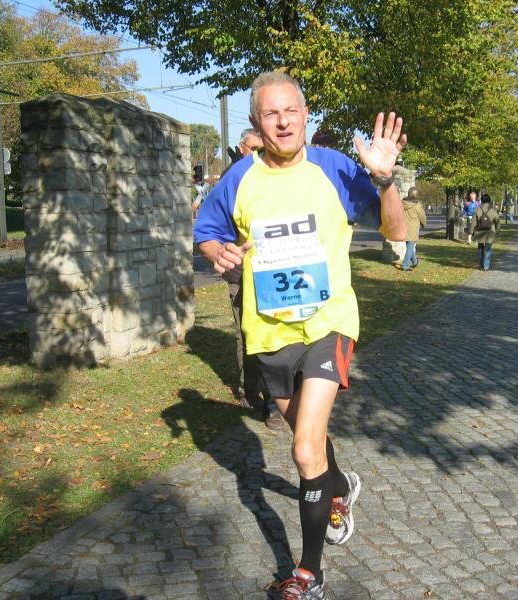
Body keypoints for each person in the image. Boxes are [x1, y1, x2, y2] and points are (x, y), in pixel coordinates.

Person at [194, 70, 407, 600]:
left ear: (306, 116)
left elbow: (396, 230)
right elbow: (207, 234)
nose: (283, 121)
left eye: (291, 110)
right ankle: (340, 486)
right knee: (308, 443)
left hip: (328, 323)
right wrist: (217, 253)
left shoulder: (334, 168)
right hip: (269, 333)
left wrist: (384, 180)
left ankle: (307, 575)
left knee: (304, 448)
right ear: (256, 121)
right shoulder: (238, 178)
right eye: (271, 113)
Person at [221, 129, 285, 430]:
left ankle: (275, 399)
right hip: (241, 272)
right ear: (242, 148)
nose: (261, 153)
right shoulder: (233, 177)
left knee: (278, 332)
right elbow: (215, 226)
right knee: (248, 333)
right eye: (255, 148)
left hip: (274, 269)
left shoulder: (278, 176)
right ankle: (252, 391)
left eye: (264, 147)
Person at [470, 193, 501, 271]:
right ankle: (486, 266)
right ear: (489, 201)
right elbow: (497, 221)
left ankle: (481, 264)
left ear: (482, 200)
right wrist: (497, 230)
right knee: (488, 249)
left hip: (479, 232)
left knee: (480, 248)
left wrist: (471, 232)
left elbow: (473, 222)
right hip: (490, 233)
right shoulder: (493, 210)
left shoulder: (477, 209)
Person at [399, 187, 427, 271]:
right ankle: (405, 266)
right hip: (413, 228)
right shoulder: (417, 205)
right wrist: (424, 224)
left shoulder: (402, 203)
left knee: (409, 246)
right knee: (410, 247)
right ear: (415, 195)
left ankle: (415, 261)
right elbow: (422, 216)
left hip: (403, 227)